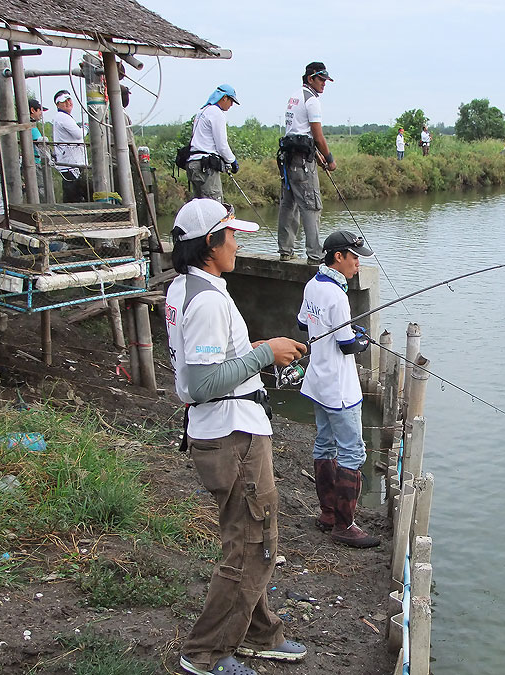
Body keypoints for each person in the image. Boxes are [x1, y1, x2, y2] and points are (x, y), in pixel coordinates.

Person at [166, 198, 309, 675]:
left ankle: (257, 632)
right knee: (252, 544)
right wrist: (265, 353)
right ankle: (204, 652)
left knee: (253, 537)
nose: (237, 243)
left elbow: (205, 362)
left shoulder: (189, 287)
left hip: (228, 431)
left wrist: (249, 349)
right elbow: (203, 383)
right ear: (210, 243)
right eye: (231, 235)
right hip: (233, 438)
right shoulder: (206, 299)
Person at [296, 230, 381, 548]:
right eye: (354, 257)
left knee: (324, 445)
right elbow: (347, 345)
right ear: (338, 257)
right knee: (352, 452)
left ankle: (328, 513)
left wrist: (343, 329)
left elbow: (303, 323)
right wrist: (362, 338)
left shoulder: (313, 284)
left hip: (317, 380)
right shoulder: (337, 295)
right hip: (341, 388)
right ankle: (345, 525)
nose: (358, 263)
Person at [277, 62, 335, 264]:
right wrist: (329, 159)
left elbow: (299, 132)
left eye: (325, 81)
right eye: (321, 79)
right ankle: (315, 255)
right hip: (303, 163)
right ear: (310, 78)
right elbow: (317, 136)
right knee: (311, 205)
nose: (324, 84)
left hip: (289, 160)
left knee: (289, 204)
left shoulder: (294, 97)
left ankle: (286, 250)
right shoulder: (312, 101)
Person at [187, 84, 240, 202]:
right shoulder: (217, 113)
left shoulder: (202, 111)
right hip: (205, 167)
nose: (231, 105)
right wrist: (232, 161)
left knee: (200, 206)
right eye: (231, 101)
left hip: (193, 164)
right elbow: (222, 146)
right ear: (224, 98)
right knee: (214, 206)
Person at [52, 90, 90, 203]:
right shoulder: (63, 117)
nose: (68, 102)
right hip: (71, 164)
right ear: (58, 104)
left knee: (74, 194)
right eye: (64, 101)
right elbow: (79, 134)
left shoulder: (63, 117)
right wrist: (86, 128)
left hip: (71, 162)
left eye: (69, 99)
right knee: (73, 195)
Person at [29, 98, 49, 203]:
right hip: (35, 163)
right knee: (41, 190)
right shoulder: (32, 128)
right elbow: (40, 145)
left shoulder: (31, 126)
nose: (41, 113)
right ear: (33, 110)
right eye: (39, 110)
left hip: (32, 163)